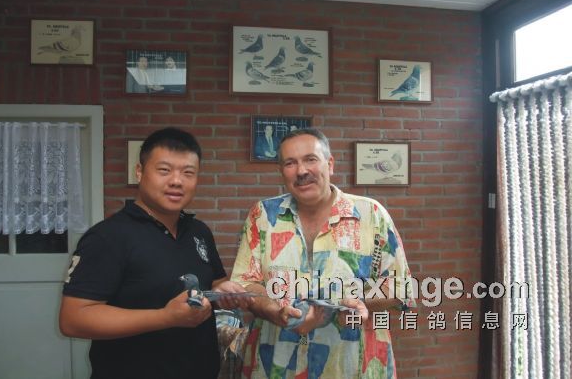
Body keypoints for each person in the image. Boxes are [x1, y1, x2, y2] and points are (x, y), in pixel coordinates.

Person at [60, 127, 251, 379]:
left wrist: (222, 291)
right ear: (139, 172)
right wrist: (165, 317)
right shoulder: (107, 237)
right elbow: (73, 319)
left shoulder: (199, 231)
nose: (176, 181)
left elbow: (213, 282)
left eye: (188, 172)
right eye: (164, 170)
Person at [231, 128, 416, 378]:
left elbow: (400, 288)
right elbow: (245, 285)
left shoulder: (371, 215)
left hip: (352, 366)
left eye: (310, 159)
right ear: (281, 171)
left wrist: (340, 300)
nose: (301, 171)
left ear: (330, 165)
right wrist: (276, 311)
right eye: (290, 163)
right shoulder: (262, 216)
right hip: (276, 365)